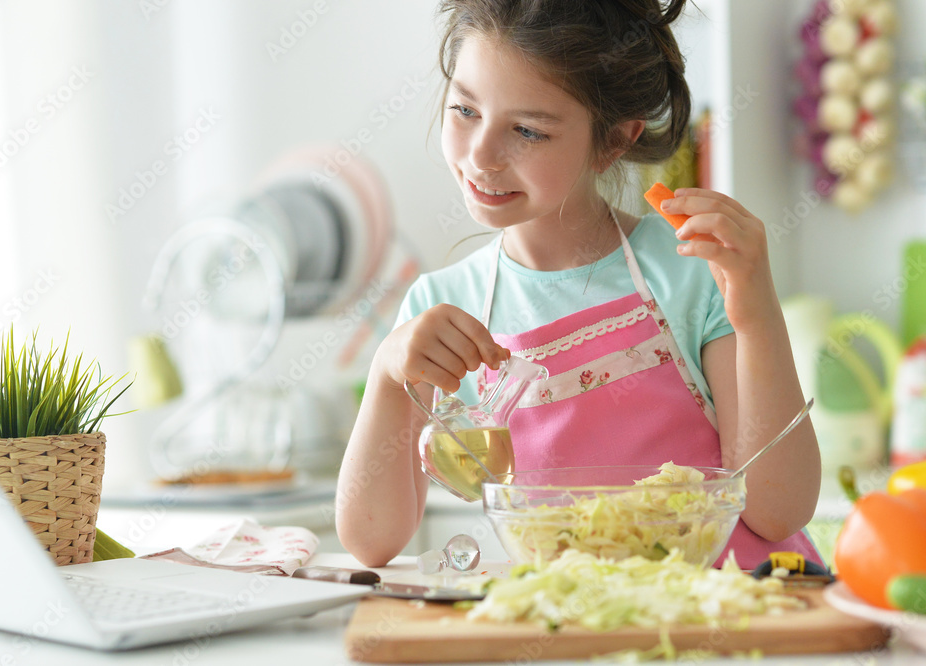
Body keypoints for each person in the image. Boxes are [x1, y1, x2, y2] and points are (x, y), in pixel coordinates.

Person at [336, 0, 822, 569]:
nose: (481, 154)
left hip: (734, 616)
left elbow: (779, 510)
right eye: (464, 109)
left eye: (527, 130)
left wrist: (756, 310)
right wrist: (388, 376)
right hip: (576, 628)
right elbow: (372, 541)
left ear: (614, 140)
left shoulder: (694, 268)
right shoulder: (440, 311)